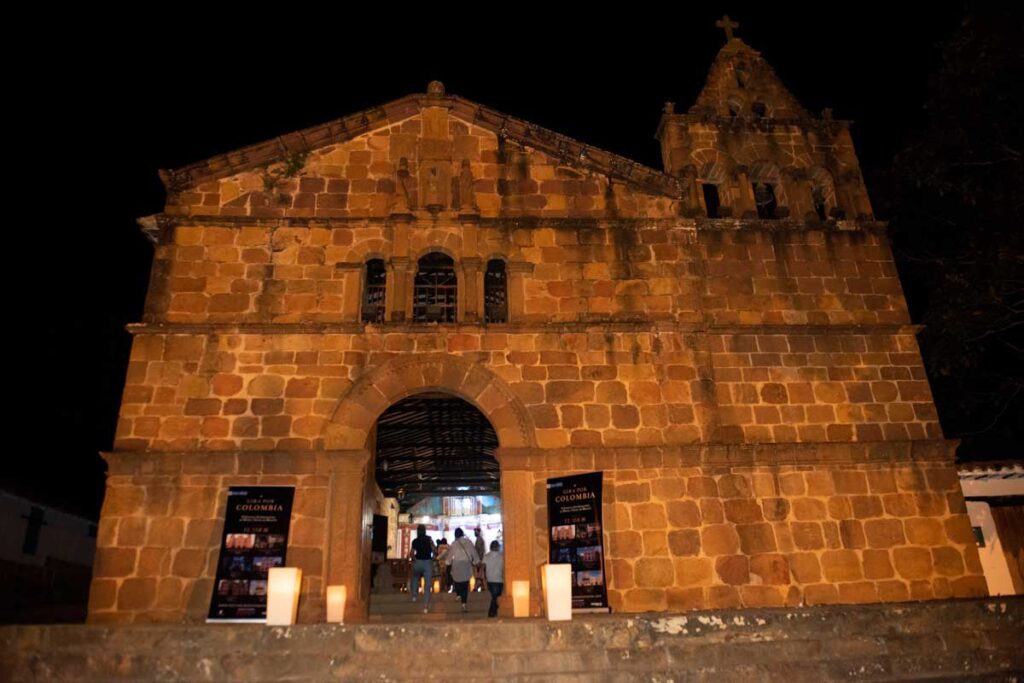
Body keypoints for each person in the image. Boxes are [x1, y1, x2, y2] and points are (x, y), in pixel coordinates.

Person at [446, 528, 480, 611]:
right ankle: (464, 603)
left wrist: (448, 562)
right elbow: (474, 552)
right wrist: (476, 561)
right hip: (466, 564)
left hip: (457, 564)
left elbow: (449, 556)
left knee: (457, 580)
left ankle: (458, 594)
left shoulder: (454, 544)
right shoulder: (469, 542)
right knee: (465, 584)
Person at [408, 524, 436, 613]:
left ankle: (414, 596)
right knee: (427, 585)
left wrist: (413, 558)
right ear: (425, 531)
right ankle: (425, 606)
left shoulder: (415, 541)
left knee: (415, 577)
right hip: (427, 562)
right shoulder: (429, 539)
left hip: (418, 561)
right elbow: (434, 549)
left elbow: (411, 553)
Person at [482, 540, 504, 618]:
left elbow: (483, 569)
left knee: (494, 597)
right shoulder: (502, 557)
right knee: (495, 598)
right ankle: (492, 613)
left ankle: (493, 613)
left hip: (489, 580)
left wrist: (484, 580)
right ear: (498, 547)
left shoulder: (486, 556)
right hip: (499, 580)